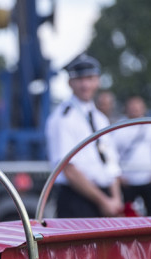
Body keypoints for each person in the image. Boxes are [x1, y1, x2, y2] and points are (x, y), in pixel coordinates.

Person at [44, 54, 123, 219]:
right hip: (77, 200)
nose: (85, 84)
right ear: (70, 83)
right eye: (80, 79)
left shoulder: (100, 118)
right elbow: (69, 170)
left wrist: (116, 198)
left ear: (98, 81)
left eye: (90, 78)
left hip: (105, 198)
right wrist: (104, 201)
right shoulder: (62, 118)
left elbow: (110, 162)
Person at [111, 95, 151, 217]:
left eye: (138, 106)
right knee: (126, 215)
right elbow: (109, 153)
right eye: (132, 106)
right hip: (127, 181)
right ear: (126, 108)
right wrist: (117, 175)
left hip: (148, 180)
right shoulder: (118, 127)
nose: (135, 109)